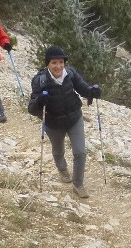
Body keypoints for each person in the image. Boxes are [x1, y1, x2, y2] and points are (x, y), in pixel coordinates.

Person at [27, 45, 101, 198]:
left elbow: (83, 88)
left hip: (74, 118)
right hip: (53, 123)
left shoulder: (70, 74)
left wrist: (92, 92)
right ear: (48, 63)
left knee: (80, 152)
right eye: (54, 62)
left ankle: (78, 184)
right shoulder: (40, 80)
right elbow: (32, 109)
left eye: (61, 62)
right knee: (58, 150)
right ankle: (62, 169)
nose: (58, 66)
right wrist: (40, 100)